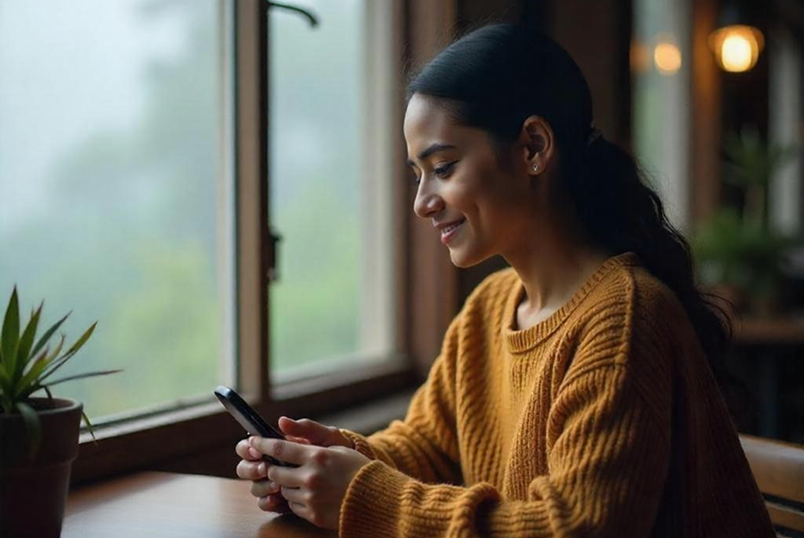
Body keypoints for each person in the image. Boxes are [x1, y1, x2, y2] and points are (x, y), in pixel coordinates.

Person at [235, 23, 775, 537]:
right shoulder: (492, 307)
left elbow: (576, 529)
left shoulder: (624, 321)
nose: (422, 203)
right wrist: (328, 460)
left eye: (443, 167)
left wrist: (361, 495)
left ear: (533, 147)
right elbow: (429, 447)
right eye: (417, 174)